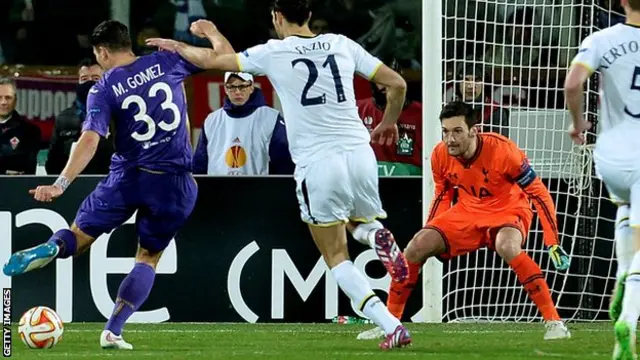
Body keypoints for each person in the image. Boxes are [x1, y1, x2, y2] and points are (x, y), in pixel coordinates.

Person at [147, 0, 412, 349]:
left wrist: (179, 45)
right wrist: (388, 123)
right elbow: (397, 84)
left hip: (318, 161)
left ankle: (390, 325)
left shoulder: (274, 52)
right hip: (360, 153)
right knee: (358, 220)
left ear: (276, 17)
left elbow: (214, 61)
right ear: (309, 15)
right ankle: (374, 233)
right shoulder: (341, 43)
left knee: (335, 255)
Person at [2, 20, 202, 350]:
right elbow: (224, 57)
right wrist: (206, 36)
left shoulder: (105, 86)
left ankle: (53, 247)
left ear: (103, 51)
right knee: (148, 257)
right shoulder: (167, 59)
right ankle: (113, 330)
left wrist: (60, 183)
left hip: (126, 176)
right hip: (172, 181)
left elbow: (90, 138)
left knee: (78, 238)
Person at [357, 101, 572, 341]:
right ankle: (390, 323)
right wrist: (432, 230)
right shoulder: (440, 154)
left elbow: (539, 193)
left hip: (508, 210)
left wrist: (552, 241)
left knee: (507, 246)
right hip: (468, 211)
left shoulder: (504, 151)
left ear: (473, 131)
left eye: (457, 131)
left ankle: (554, 322)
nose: (450, 139)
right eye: (445, 131)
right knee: (416, 246)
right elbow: (442, 194)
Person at [564, 0, 640, 357]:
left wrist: (578, 125)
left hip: (610, 157)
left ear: (623, 2)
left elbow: (573, 83)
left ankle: (622, 270)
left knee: (626, 207)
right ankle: (628, 317)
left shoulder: (600, 38)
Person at [192, 71, 293, 175]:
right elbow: (200, 165)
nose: (237, 92)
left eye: (242, 86)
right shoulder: (211, 120)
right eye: (232, 87)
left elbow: (284, 163)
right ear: (226, 89)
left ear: (251, 87)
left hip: (258, 189)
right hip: (218, 189)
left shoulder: (270, 118)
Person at [46, 57, 114, 175]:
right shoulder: (64, 118)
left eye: (95, 78)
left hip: (110, 185)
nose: (89, 83)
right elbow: (53, 162)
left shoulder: (118, 115)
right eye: (84, 79)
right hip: (73, 187)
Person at [358, 57, 422, 176]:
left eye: (392, 76)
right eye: (381, 77)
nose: (387, 82)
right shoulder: (357, 109)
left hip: (411, 188)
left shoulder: (423, 113)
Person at [0, 76, 41, 175]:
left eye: (8, 98)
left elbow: (26, 169)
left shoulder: (30, 132)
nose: (3, 102)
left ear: (15, 100)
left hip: (13, 188)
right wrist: (4, 172)